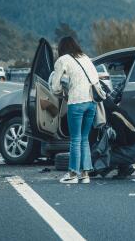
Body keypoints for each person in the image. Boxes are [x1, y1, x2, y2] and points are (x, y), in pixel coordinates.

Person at [51, 36, 99, 184]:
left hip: (77, 102)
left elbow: (55, 87)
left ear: (62, 48)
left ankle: (72, 174)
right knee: (84, 139)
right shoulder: (85, 57)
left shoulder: (62, 60)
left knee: (75, 139)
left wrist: (63, 93)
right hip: (92, 103)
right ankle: (85, 175)